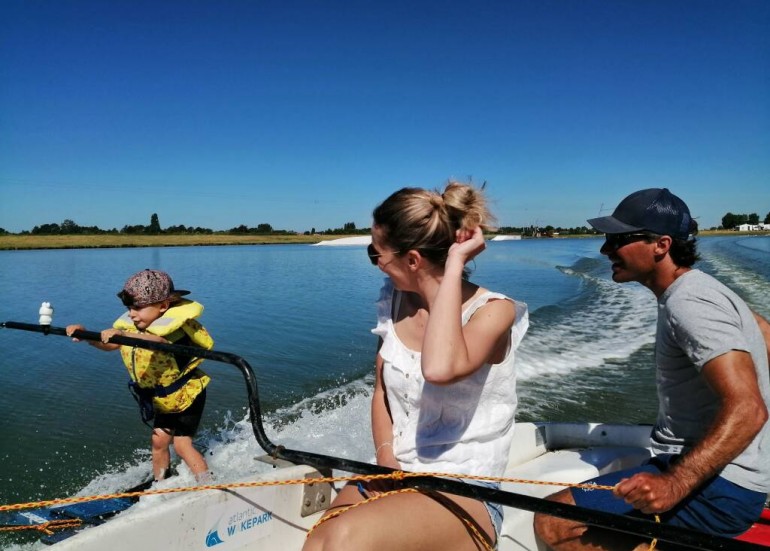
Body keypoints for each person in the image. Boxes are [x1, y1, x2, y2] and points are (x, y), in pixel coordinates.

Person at [534, 188, 770, 550]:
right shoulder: (704, 292)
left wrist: (675, 483)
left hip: (723, 488)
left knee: (555, 522)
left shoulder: (690, 302)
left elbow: (749, 408)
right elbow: (765, 339)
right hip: (732, 477)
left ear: (661, 245)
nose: (605, 250)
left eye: (618, 239)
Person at [303, 181, 529, 551]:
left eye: (376, 254)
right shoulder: (393, 301)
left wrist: (454, 265)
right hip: (398, 472)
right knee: (322, 538)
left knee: (342, 540)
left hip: (468, 489)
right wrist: (387, 458)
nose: (375, 264)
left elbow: (439, 368)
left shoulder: (493, 313)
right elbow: (381, 390)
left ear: (412, 260)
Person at [66, 269, 214, 483]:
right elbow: (110, 345)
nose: (132, 314)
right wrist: (86, 334)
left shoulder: (174, 332)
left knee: (182, 445)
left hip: (188, 394)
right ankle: (161, 484)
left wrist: (125, 335)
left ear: (163, 306)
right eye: (129, 308)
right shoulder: (133, 327)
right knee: (158, 443)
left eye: (137, 308)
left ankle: (208, 485)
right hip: (164, 399)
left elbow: (159, 344)